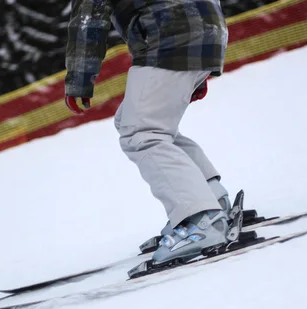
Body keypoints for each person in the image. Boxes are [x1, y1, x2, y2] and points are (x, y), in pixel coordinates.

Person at [64, 0, 232, 264]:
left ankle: (200, 219)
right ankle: (214, 201)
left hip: (169, 35)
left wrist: (79, 79)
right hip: (208, 28)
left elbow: (89, 19)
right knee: (140, 122)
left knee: (142, 132)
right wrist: (202, 59)